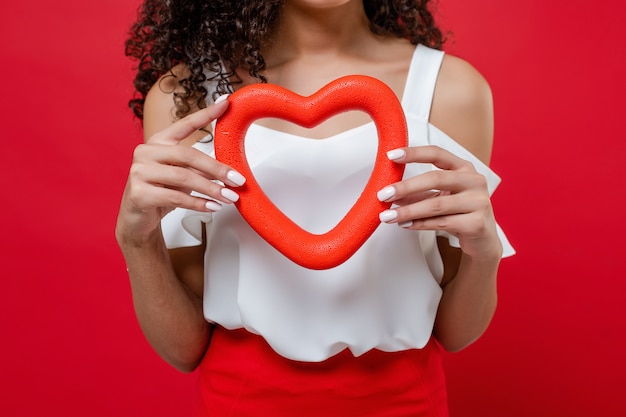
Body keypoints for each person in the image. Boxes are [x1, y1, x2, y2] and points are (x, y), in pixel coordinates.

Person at [116, 0, 515, 415]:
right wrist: (135, 240)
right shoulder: (188, 94)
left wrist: (484, 255)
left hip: (403, 402)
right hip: (240, 402)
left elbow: (456, 332)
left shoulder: (450, 90)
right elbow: (183, 348)